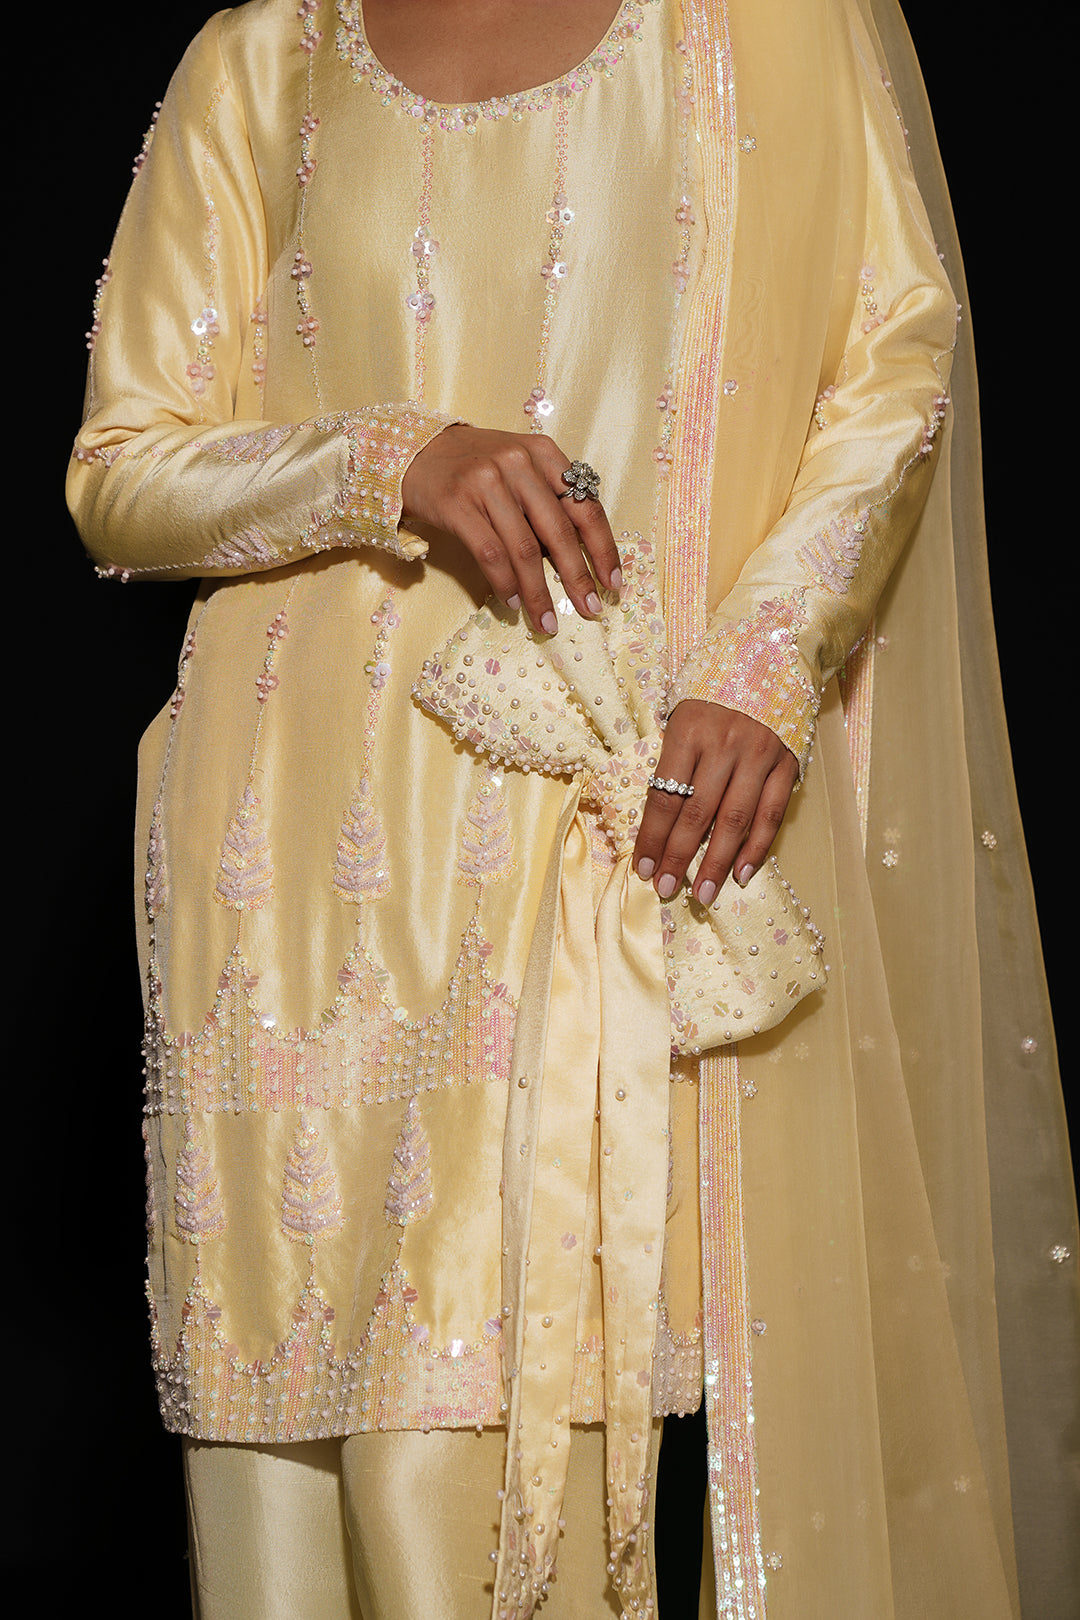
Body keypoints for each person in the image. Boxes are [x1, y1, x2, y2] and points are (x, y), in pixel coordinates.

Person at [67, 1, 1077, 1616]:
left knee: (479, 1487)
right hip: (276, 880)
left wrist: (765, 663)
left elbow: (895, 352)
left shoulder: (762, 29)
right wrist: (393, 460)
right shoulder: (267, 53)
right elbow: (121, 472)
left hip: (578, 847)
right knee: (270, 1511)